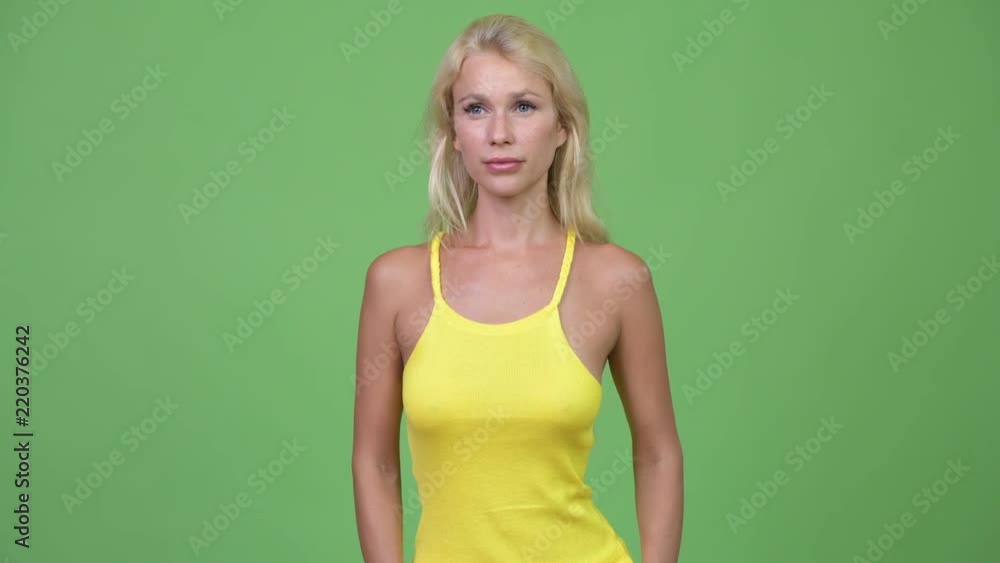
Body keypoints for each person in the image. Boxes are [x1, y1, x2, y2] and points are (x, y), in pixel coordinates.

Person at [353, 14, 683, 563]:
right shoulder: (396, 282)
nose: (499, 132)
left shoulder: (616, 280)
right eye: (475, 108)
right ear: (453, 131)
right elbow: (375, 463)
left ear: (562, 128)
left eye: (524, 106)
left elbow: (658, 452)